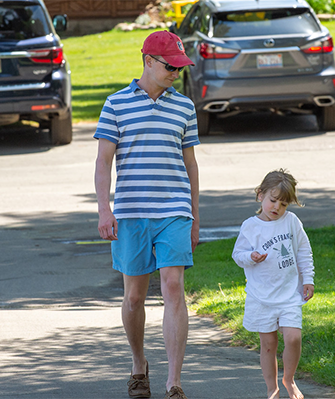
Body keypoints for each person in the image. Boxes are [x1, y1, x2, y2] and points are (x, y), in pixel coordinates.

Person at [94, 30, 199, 399]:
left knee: (173, 286)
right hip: (131, 213)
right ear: (149, 62)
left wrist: (195, 217)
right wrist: (104, 209)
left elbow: (191, 166)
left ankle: (174, 381)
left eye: (180, 67)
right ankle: (139, 365)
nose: (176, 72)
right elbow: (104, 162)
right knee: (134, 298)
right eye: (171, 66)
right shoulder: (115, 104)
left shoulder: (184, 107)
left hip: (174, 211)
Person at [232, 169, 315, 399]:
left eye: (283, 204)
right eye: (273, 200)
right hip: (262, 297)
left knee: (293, 338)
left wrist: (308, 279)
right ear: (260, 195)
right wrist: (251, 257)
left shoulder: (291, 222)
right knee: (268, 345)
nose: (277, 207)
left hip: (289, 294)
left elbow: (304, 252)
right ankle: (272, 389)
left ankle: (289, 379)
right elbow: (237, 254)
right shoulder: (250, 226)